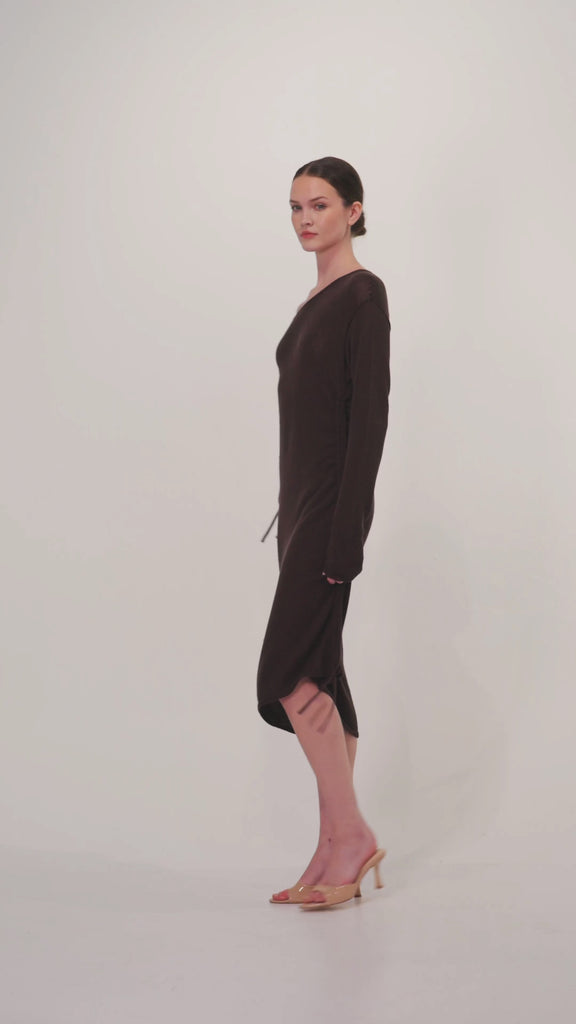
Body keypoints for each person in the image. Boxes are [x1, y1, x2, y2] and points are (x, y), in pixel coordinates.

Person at [257, 156, 391, 910]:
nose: (305, 219)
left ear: (353, 211)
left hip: (332, 513)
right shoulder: (315, 298)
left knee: (289, 672)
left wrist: (347, 534)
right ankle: (330, 842)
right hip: (300, 509)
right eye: (295, 207)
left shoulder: (362, 296)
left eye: (319, 205)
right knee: (323, 673)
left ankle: (353, 835)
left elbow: (368, 422)